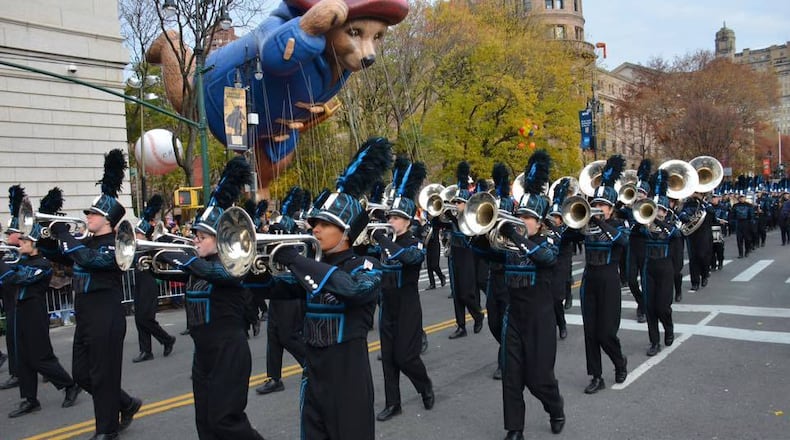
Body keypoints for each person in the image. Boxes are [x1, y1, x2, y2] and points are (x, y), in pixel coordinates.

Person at [257, 137, 392, 439]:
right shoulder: (310, 267)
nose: (315, 229)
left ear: (345, 233)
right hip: (313, 379)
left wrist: (295, 259)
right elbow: (273, 288)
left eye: (324, 224)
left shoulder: (365, 266)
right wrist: (246, 267)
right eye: (314, 222)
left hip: (349, 384)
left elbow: (352, 289)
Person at [155, 157, 264, 440]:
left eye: (202, 237)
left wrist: (181, 257)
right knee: (205, 424)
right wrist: (146, 259)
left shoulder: (232, 266)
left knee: (226, 422)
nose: (195, 241)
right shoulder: (199, 265)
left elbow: (217, 274)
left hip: (228, 352)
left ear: (220, 239)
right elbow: (185, 274)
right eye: (195, 236)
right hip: (202, 353)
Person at [48, 150, 142, 439]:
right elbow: (66, 258)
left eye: (94, 213)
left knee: (103, 375)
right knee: (82, 375)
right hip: (86, 315)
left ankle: (107, 430)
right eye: (89, 212)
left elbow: (92, 261)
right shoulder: (85, 241)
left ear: (108, 221)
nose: (88, 216)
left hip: (107, 314)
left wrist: (65, 235)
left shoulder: (117, 243)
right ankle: (126, 403)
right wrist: (45, 238)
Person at [499, 149, 565, 439]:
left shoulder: (548, 238)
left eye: (528, 217)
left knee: (539, 378)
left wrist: (517, 238)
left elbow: (547, 258)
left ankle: (555, 407)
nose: (522, 220)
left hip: (540, 317)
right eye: (520, 215)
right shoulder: (510, 239)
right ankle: (515, 429)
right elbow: (484, 254)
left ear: (539, 221)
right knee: (511, 376)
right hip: (514, 315)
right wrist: (475, 233)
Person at [0, 187, 81, 417]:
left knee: (40, 357)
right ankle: (29, 399)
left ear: (34, 243)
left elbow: (14, 278)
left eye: (24, 240)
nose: (20, 243)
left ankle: (69, 385)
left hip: (35, 313)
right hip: (20, 310)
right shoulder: (21, 259)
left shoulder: (42, 266)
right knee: (23, 358)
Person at [373, 158, 434, 422]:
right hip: (387, 303)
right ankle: (393, 403)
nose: (391, 221)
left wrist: (384, 240)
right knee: (387, 358)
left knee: (405, 357)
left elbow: (409, 259)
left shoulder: (414, 241)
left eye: (396, 218)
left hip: (408, 304)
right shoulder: (384, 239)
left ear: (407, 221)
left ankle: (425, 386)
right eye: (390, 217)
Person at [580, 155, 629, 394]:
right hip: (589, 280)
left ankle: (619, 361)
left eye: (603, 206)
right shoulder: (586, 223)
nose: (597, 209)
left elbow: (623, 241)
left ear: (611, 209)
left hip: (609, 280)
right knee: (590, 332)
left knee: (606, 332)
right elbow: (566, 237)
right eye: (595, 204)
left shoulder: (618, 226)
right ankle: (596, 376)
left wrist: (600, 223)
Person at [250, 190, 306, 396]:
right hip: (277, 289)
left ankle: (312, 365)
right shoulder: (274, 244)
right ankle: (274, 378)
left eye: (277, 232)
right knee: (273, 336)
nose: (273, 235)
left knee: (289, 336)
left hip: (289, 291)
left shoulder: (294, 242)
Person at [130, 195, 176, 363]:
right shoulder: (135, 247)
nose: (135, 236)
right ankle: (145, 350)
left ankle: (167, 339)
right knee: (138, 318)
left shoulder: (151, 247)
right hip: (139, 282)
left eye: (138, 234)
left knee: (146, 318)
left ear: (145, 236)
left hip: (148, 283)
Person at [639, 171, 678, 356]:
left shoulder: (670, 226)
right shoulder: (643, 224)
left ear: (665, 211)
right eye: (654, 209)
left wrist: (660, 222)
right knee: (650, 307)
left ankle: (669, 328)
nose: (657, 213)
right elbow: (631, 230)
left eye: (660, 210)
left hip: (665, 267)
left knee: (663, 307)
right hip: (649, 267)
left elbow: (677, 234)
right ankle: (654, 341)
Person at [445, 161, 485, 339]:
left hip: (467, 254)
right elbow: (437, 224)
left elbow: (467, 233)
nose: (456, 205)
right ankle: (461, 325)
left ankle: (477, 315)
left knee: (467, 292)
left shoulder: (470, 218)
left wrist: (453, 219)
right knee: (456, 293)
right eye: (455, 202)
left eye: (459, 202)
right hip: (454, 253)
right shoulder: (453, 214)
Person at [0, 184, 25, 391]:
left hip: (21, 303)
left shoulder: (22, 254)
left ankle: (18, 374)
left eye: (11, 233)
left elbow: (11, 276)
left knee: (20, 341)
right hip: (9, 302)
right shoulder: (9, 251)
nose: (8, 237)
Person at [679, 192, 714, 292]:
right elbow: (681, 214)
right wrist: (688, 218)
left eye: (697, 193)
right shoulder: (688, 204)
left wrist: (702, 201)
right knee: (693, 258)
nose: (695, 194)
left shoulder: (706, 204)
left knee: (703, 256)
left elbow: (712, 212)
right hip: (692, 234)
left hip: (704, 233)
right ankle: (695, 282)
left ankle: (704, 275)